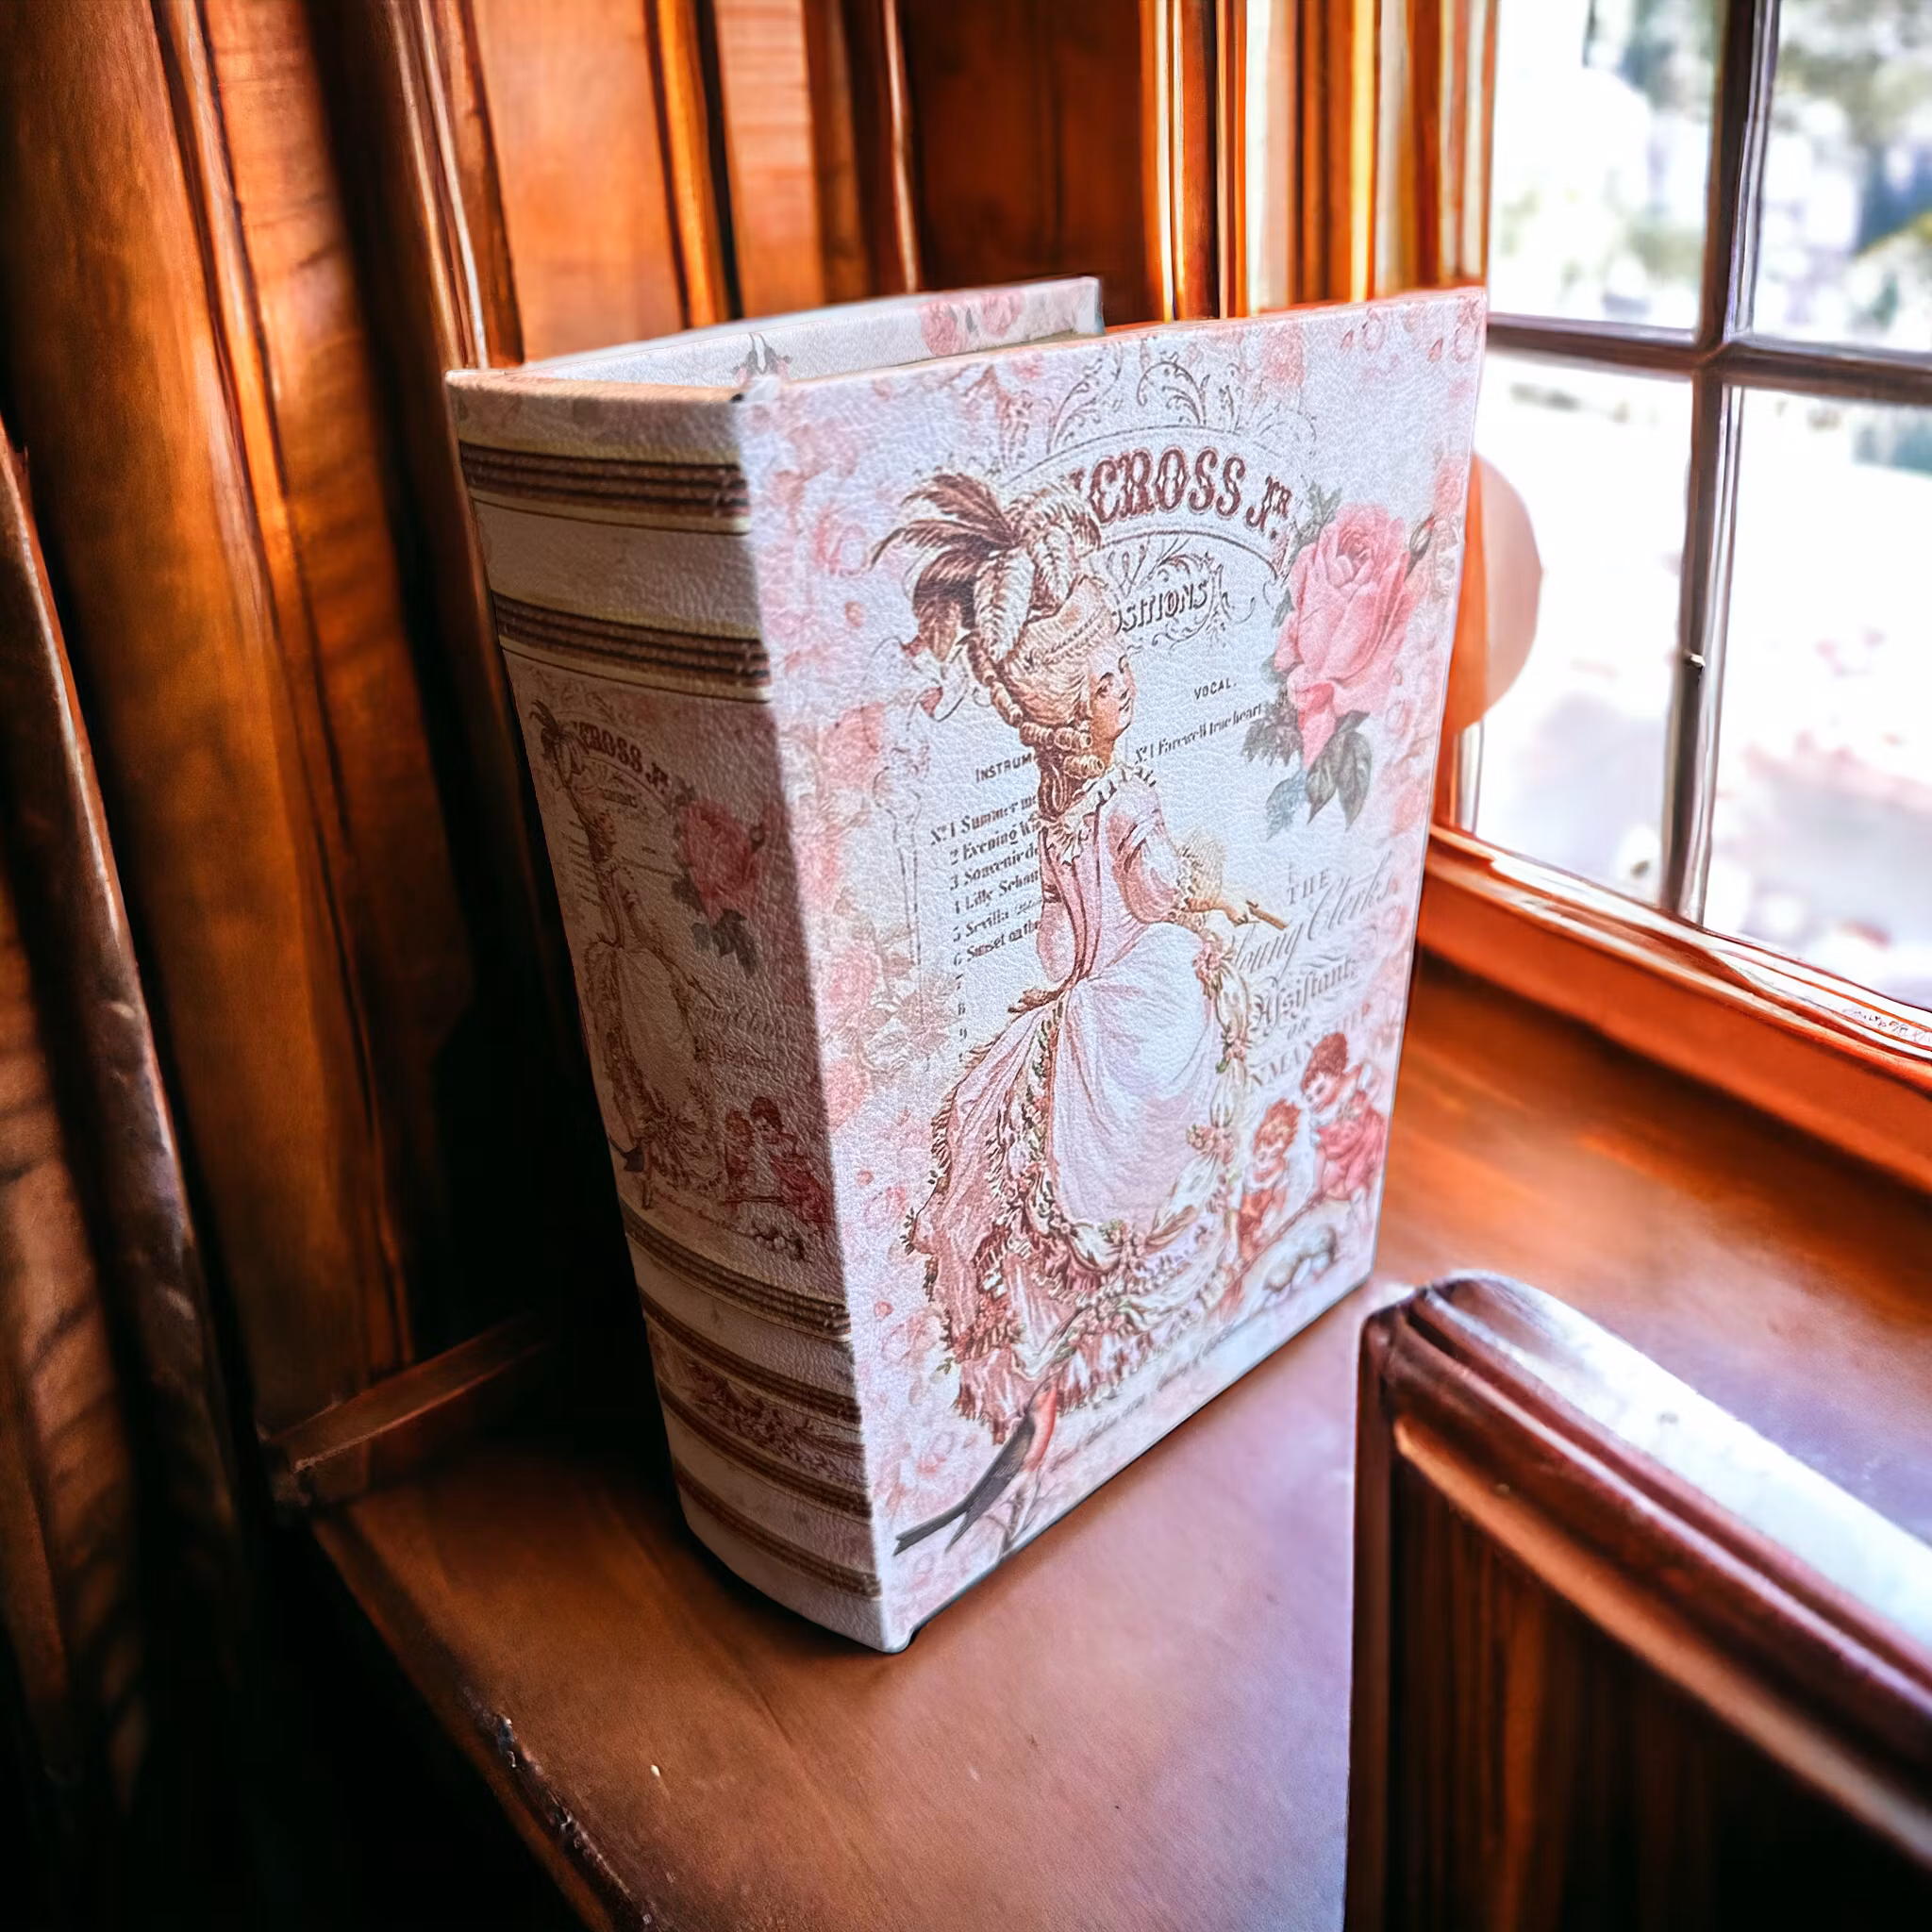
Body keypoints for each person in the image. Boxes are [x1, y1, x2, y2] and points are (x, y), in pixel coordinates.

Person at [884, 475, 1264, 1553]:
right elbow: (1151, 891)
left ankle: (1044, 1396)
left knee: (1046, 1171)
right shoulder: (1127, 796)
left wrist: (1077, 973)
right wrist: (1212, 897)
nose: (1123, 687)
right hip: (1140, 993)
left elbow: (1058, 941)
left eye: (1119, 669)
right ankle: (1071, 1383)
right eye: (1105, 679)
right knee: (1165, 1100)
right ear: (1067, 706)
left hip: (1088, 995)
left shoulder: (1055, 806)